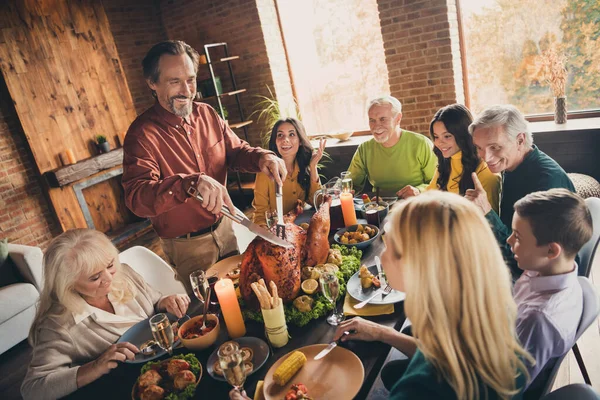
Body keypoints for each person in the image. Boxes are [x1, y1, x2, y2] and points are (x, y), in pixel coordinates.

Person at [122, 41, 286, 294]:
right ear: (152, 83)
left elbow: (235, 151)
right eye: (174, 81)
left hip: (226, 227)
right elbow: (137, 198)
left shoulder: (207, 114)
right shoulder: (141, 135)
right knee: (213, 310)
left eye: (191, 79)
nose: (186, 90)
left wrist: (263, 157)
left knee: (248, 293)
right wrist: (189, 183)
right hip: (188, 247)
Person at [331, 192, 532, 399]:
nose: (381, 255)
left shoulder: (418, 390)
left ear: (421, 268)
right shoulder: (488, 311)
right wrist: (383, 333)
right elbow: (439, 354)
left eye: (391, 247)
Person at [21, 229, 190, 400]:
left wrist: (166, 301)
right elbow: (32, 389)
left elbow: (155, 301)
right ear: (68, 284)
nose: (109, 278)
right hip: (134, 388)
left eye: (110, 265)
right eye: (95, 277)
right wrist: (94, 367)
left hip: (176, 360)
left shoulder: (124, 273)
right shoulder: (57, 325)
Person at [465, 105, 575, 280]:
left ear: (520, 140)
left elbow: (526, 257)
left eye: (495, 147)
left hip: (541, 279)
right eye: (479, 148)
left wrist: (486, 211)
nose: (486, 157)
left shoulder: (545, 182)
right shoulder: (512, 166)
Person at [508, 189, 593, 396]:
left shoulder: (538, 320)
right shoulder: (546, 268)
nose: (509, 241)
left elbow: (505, 387)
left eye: (517, 237)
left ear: (551, 251)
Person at [401, 104, 501, 212]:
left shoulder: (486, 172)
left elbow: (490, 223)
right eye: (436, 136)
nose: (439, 142)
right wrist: (417, 193)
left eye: (447, 136)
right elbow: (429, 195)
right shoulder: (446, 163)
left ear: (463, 135)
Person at [347, 96, 436, 198]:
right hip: (378, 207)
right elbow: (350, 184)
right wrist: (340, 191)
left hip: (414, 204)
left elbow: (438, 181)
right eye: (372, 120)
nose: (376, 126)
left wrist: (419, 190)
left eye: (383, 119)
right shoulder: (364, 149)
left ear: (398, 119)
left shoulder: (421, 144)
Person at [252, 118, 325, 226]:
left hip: (304, 227)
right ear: (275, 141)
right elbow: (260, 217)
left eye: (291, 134)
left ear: (300, 140)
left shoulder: (304, 165)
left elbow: (318, 202)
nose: (285, 140)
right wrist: (271, 239)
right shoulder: (265, 172)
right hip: (277, 232)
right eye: (280, 135)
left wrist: (313, 167)